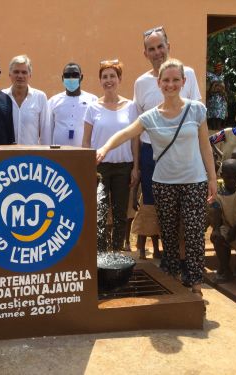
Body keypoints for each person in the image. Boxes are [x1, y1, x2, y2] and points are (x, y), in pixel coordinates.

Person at [97, 59, 217, 295]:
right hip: (164, 184)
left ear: (183, 82)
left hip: (194, 181)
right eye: (166, 80)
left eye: (175, 80)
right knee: (169, 236)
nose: (170, 84)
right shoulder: (151, 117)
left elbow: (205, 146)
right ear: (159, 83)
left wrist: (212, 178)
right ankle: (172, 277)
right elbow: (125, 133)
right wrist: (104, 148)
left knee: (193, 235)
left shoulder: (196, 110)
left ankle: (195, 284)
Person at [132, 26, 201, 260]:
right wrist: (136, 164)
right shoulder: (140, 83)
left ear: (168, 47)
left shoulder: (188, 74)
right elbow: (136, 128)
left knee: (182, 207)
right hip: (151, 153)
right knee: (154, 205)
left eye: (160, 46)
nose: (157, 52)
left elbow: (199, 118)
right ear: (145, 54)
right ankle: (162, 258)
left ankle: (183, 260)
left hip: (183, 153)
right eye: (151, 49)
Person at [83, 59, 137, 252]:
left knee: (121, 212)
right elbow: (86, 142)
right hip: (100, 168)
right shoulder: (92, 108)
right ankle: (100, 253)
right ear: (100, 81)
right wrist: (87, 167)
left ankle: (116, 252)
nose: (108, 80)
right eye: (104, 77)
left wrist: (135, 168)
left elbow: (134, 140)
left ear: (119, 79)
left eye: (112, 76)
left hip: (124, 166)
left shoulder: (131, 107)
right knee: (100, 212)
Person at [2, 55, 50, 145]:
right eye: (16, 72)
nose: (20, 76)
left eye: (24, 72)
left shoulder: (40, 97)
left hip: (31, 156)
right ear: (10, 74)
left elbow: (45, 131)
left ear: (30, 75)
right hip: (7, 156)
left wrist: (45, 155)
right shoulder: (2, 96)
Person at [48, 62, 98, 146]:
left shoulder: (93, 100)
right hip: (58, 154)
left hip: (84, 154)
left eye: (75, 75)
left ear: (81, 77)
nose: (71, 78)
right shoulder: (53, 101)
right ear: (62, 78)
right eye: (67, 75)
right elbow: (48, 130)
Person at [206, 62, 227, 129]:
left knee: (221, 111)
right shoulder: (210, 75)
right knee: (212, 111)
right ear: (216, 68)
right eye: (219, 67)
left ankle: (218, 126)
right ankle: (213, 127)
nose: (221, 69)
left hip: (221, 97)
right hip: (213, 96)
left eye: (221, 67)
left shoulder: (222, 76)